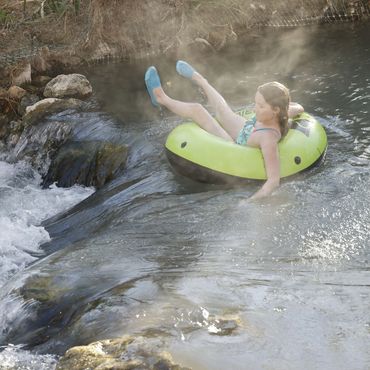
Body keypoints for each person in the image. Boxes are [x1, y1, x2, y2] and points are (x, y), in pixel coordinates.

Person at [144, 61, 304, 199]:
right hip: (247, 128)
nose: (255, 108)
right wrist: (291, 106)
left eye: (260, 106)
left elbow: (273, 181)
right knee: (221, 108)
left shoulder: (269, 139)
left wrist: (250, 201)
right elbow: (298, 108)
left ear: (275, 110)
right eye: (256, 103)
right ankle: (200, 79)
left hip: (236, 144)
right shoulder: (281, 114)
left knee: (198, 110)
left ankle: (161, 98)